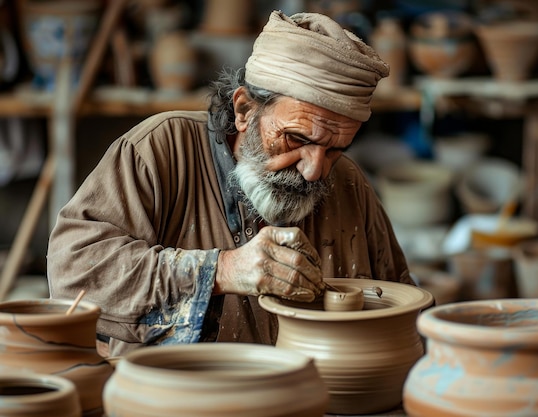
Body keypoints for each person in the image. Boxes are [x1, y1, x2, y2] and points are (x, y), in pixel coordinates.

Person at [47, 10, 413, 356]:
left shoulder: (348, 183)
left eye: (335, 149)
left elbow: (402, 304)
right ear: (244, 110)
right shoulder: (160, 149)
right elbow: (73, 274)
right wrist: (220, 271)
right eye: (297, 140)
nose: (315, 170)